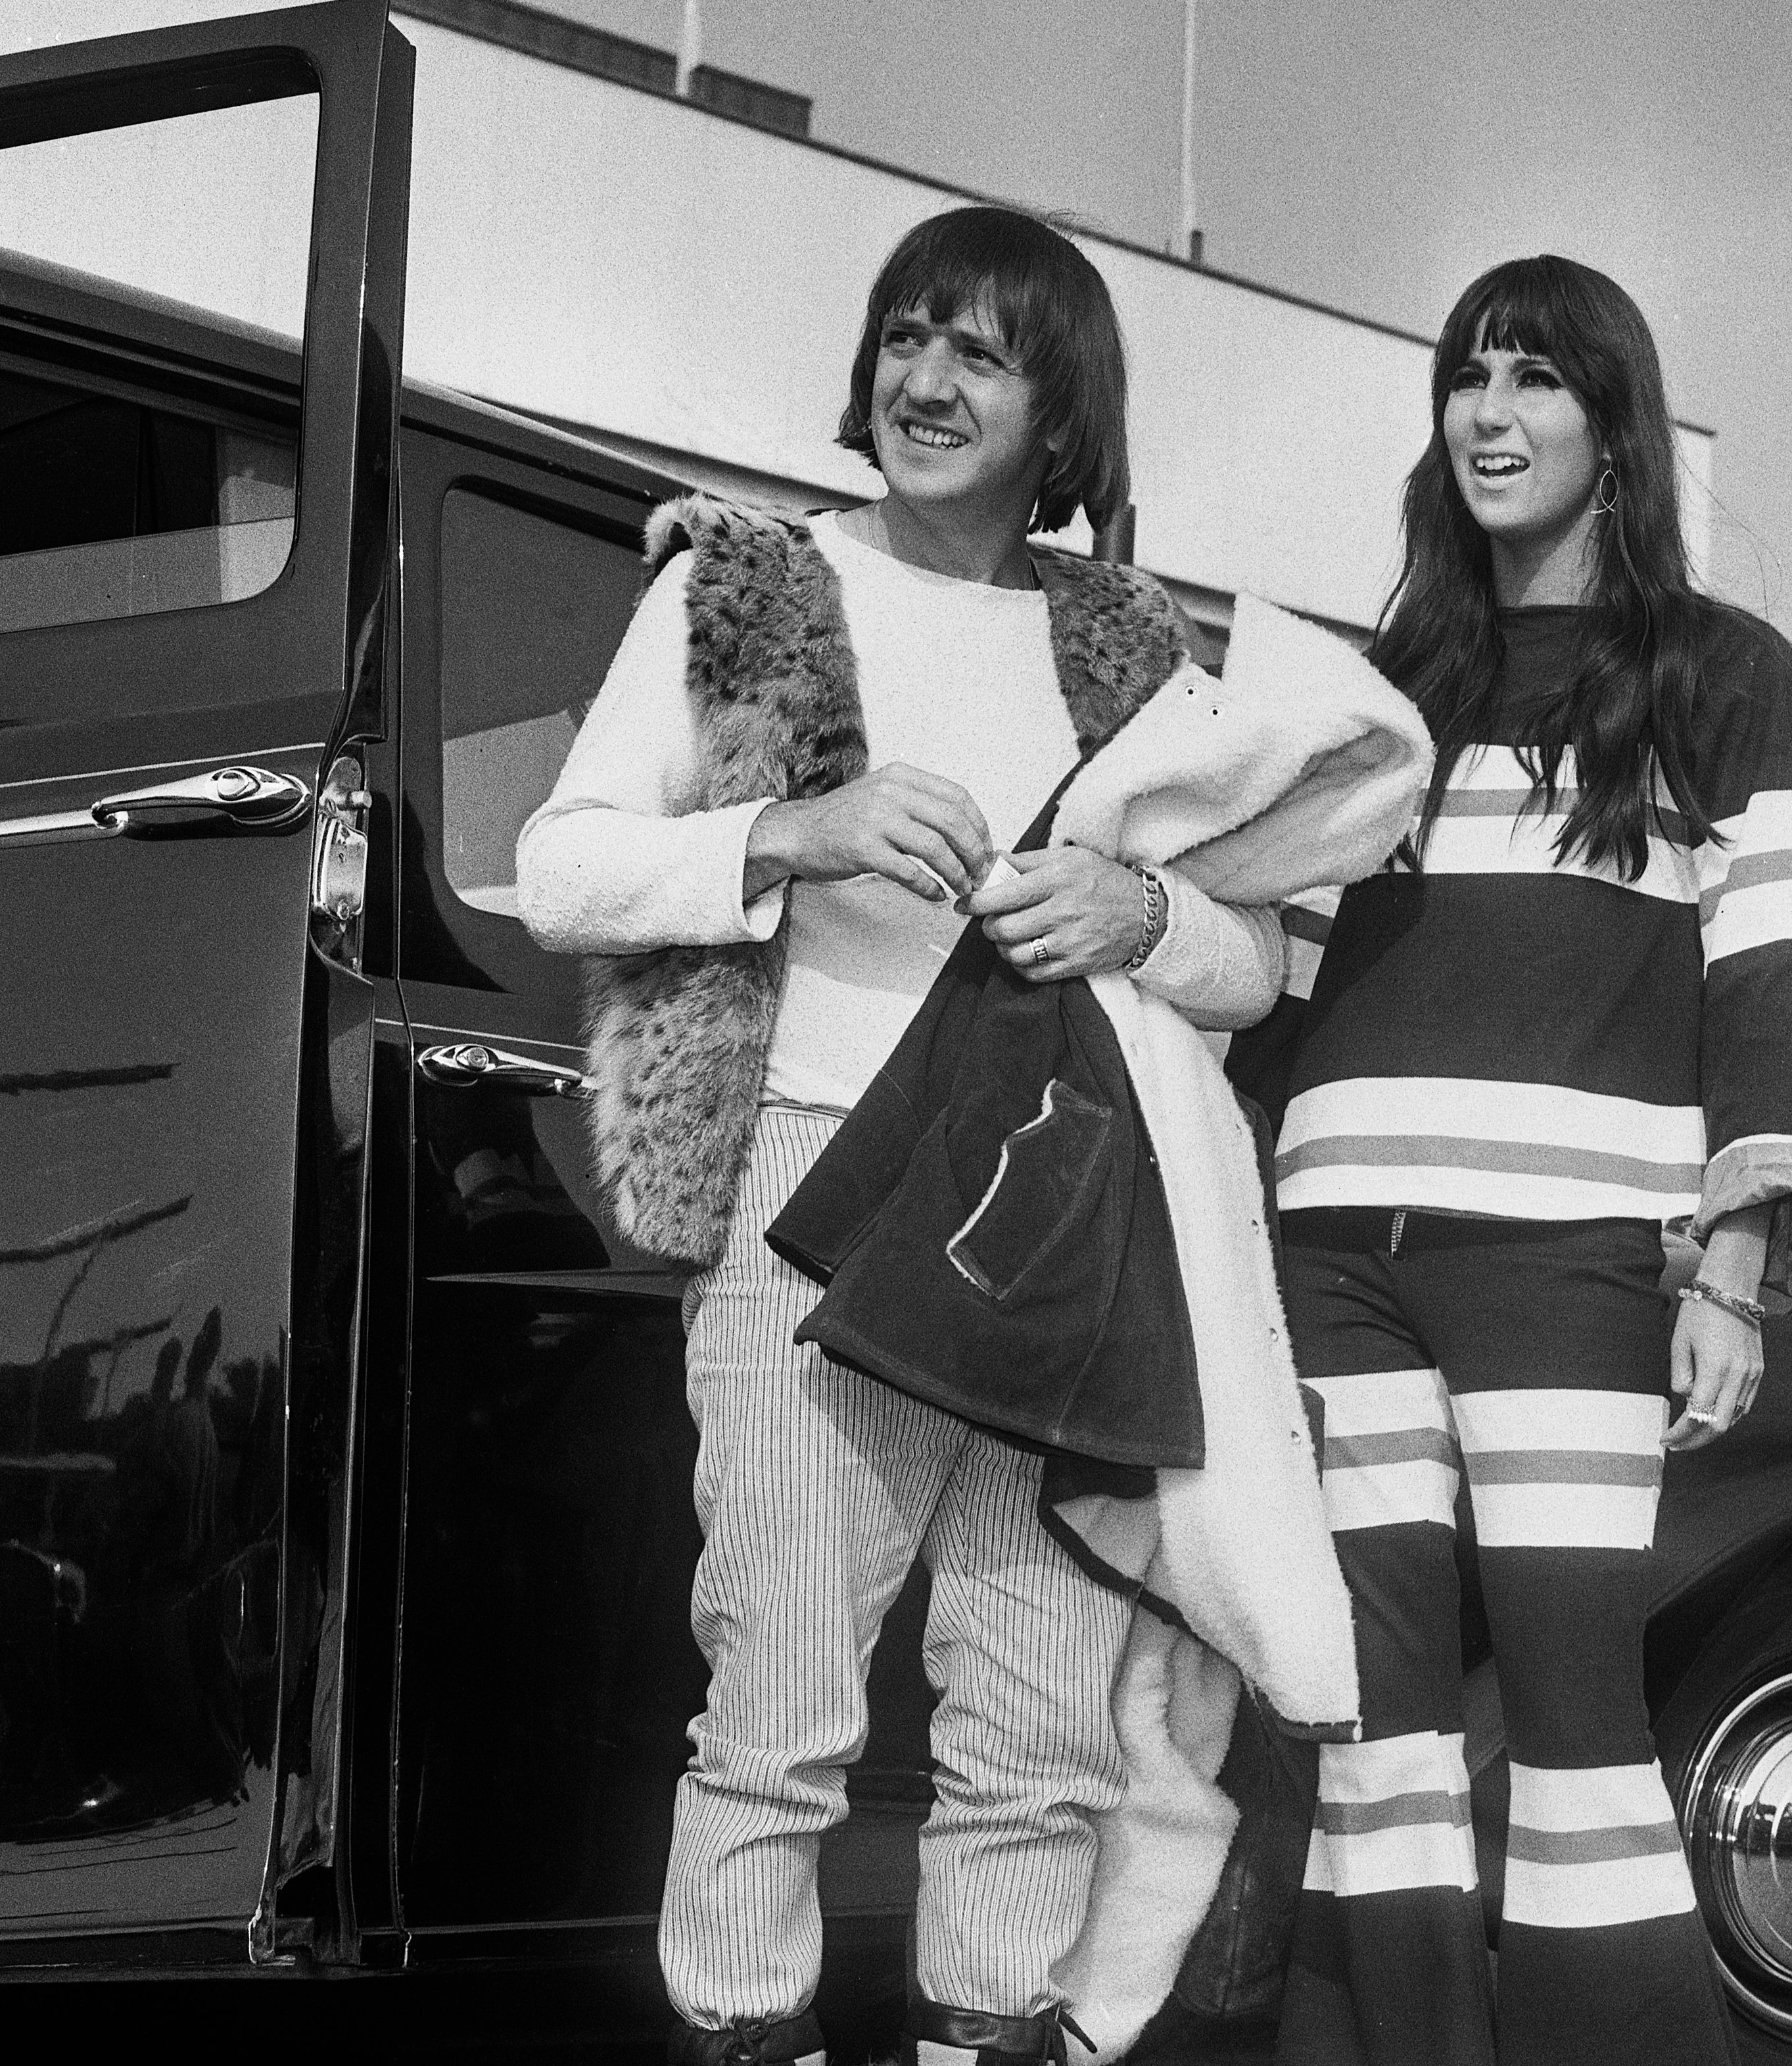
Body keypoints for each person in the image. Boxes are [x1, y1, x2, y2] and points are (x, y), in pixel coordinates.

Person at [517, 205, 1286, 2066]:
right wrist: (794, 836)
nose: (927, 382)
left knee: (1037, 1729)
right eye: (907, 338)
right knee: (775, 1707)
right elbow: (558, 868)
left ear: (1061, 409)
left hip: (1056, 1214)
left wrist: (1143, 922)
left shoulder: (1130, 643)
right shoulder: (743, 588)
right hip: (802, 1182)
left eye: (984, 354)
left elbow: (1252, 963)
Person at [1238, 255, 1792, 2066]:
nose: (1489, 413)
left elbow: (1776, 966)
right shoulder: (1384, 686)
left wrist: (1733, 1264)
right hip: (1333, 1251)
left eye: (1535, 379)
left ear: (1610, 425)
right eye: (1467, 376)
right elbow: (1287, 978)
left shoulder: (1720, 676)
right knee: (1374, 1731)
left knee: (1572, 1714)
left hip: (1562, 1259)